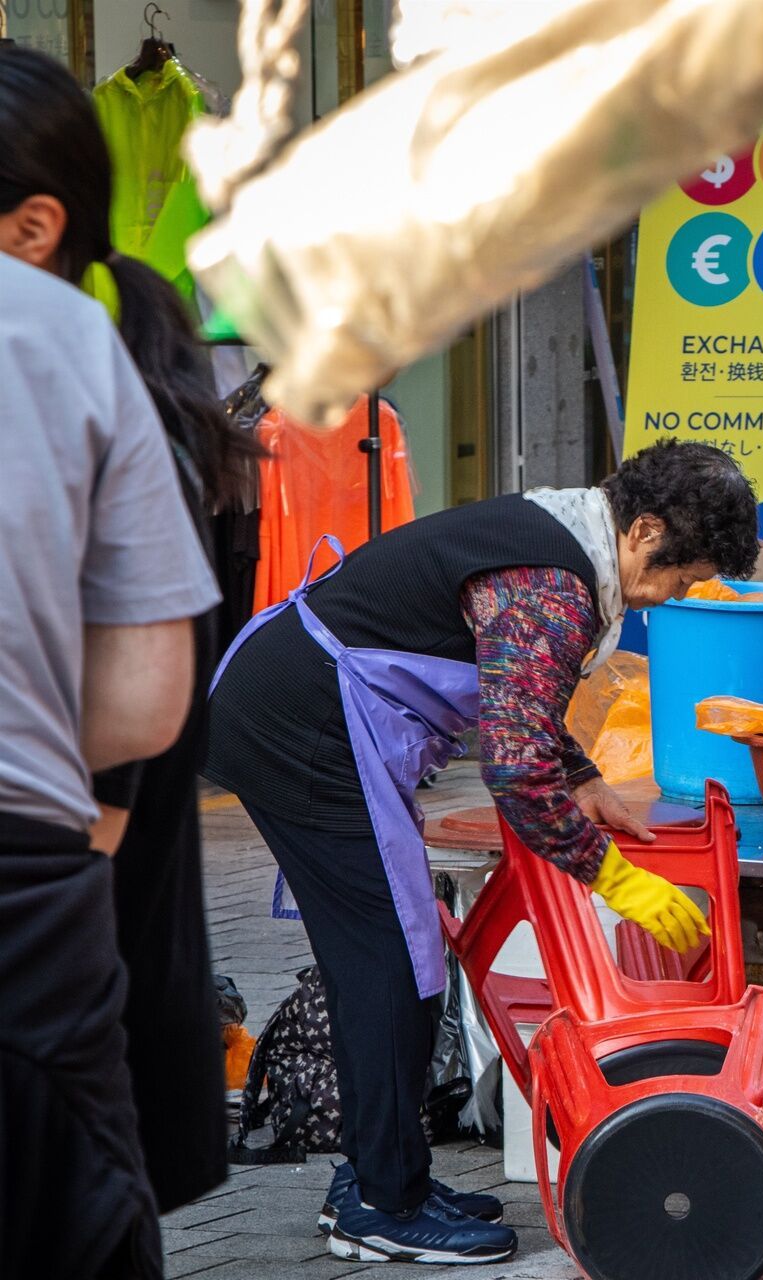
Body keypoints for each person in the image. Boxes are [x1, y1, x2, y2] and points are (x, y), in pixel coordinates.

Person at [204, 440, 758, 1264]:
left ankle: (380, 1176)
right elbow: (514, 767)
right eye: (682, 578)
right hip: (305, 727)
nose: (673, 597)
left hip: (300, 707)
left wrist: (584, 777)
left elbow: (514, 693)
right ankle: (383, 1207)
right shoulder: (554, 587)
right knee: (392, 960)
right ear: (645, 530)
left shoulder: (564, 534)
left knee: (391, 956)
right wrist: (615, 879)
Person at [0, 44, 265, 1219]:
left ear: (34, 226)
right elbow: (151, 695)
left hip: (73, 864)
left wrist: (88, 826)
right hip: (63, 877)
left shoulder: (73, 363)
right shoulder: (101, 362)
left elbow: (148, 702)